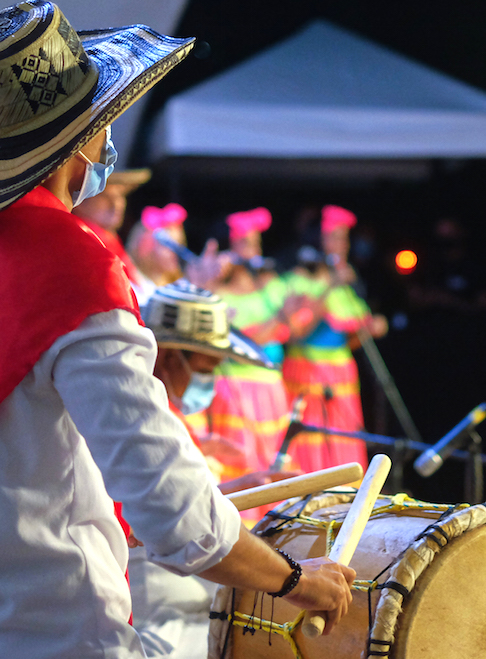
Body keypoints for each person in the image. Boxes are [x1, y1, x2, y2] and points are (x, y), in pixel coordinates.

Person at [0, 0, 354, 659]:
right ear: (80, 144)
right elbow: (173, 510)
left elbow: (29, 475)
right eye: (106, 126)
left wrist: (208, 496)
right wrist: (296, 578)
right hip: (62, 640)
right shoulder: (70, 265)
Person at [130, 279, 295, 656]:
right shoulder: (145, 418)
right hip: (156, 605)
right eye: (207, 366)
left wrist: (251, 483)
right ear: (170, 357)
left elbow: (178, 500)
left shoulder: (165, 411)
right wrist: (294, 582)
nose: (212, 380)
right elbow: (167, 513)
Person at [281, 205, 388, 473]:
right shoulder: (298, 280)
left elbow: (349, 340)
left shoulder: (347, 284)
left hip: (341, 373)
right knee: (311, 442)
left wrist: (369, 328)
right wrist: (330, 285)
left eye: (344, 238)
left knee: (342, 440)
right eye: (333, 237)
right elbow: (297, 332)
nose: (340, 245)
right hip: (306, 372)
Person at [205, 208, 293, 507]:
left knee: (272, 458)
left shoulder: (272, 289)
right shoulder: (221, 293)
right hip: (236, 389)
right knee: (242, 458)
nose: (252, 251)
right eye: (244, 243)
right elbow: (244, 343)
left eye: (255, 244)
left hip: (271, 386)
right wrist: (279, 319)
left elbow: (291, 328)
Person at [73, 164, 149, 284]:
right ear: (81, 201)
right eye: (105, 197)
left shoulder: (109, 238)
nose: (116, 205)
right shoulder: (87, 241)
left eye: (120, 196)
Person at [126, 201, 188, 304]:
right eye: (168, 245)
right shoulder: (130, 286)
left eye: (179, 244)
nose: (175, 252)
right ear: (146, 245)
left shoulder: (180, 286)